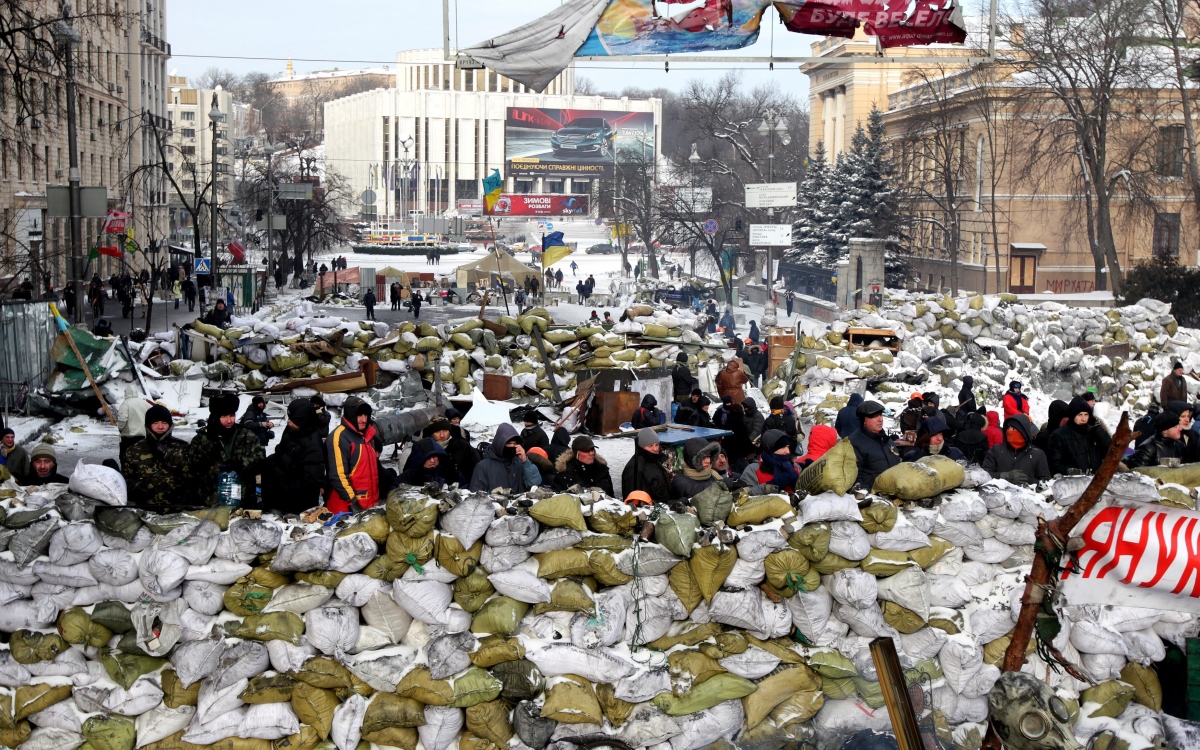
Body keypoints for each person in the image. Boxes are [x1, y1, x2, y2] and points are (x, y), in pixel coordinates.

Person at [191, 392, 266, 507]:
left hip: (243, 500)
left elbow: (260, 459)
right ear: (215, 417)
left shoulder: (247, 436)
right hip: (211, 502)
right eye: (224, 416)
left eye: (232, 415)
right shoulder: (202, 438)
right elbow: (193, 465)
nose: (229, 420)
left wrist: (241, 464)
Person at [261, 398, 328, 514]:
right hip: (281, 487)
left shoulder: (313, 446)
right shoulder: (292, 429)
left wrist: (283, 486)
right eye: (290, 419)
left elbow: (312, 481)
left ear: (303, 421)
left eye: (294, 420)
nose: (289, 422)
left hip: (297, 502)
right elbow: (281, 449)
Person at [327, 396, 385, 512]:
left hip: (369, 504)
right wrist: (353, 503)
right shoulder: (340, 437)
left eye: (366, 415)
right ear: (351, 415)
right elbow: (338, 475)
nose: (364, 419)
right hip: (346, 507)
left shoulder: (368, 436)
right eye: (359, 415)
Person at [1048, 396, 1112, 476]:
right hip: (1073, 482)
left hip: (1095, 479)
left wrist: (1098, 429)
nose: (1083, 419)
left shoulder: (1094, 431)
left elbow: (1110, 451)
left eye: (1086, 414)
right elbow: (1055, 464)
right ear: (1072, 415)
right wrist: (1073, 472)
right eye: (1080, 415)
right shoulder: (1058, 435)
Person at [469, 423, 541, 492]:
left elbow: (534, 483)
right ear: (500, 443)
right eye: (509, 443)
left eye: (515, 444)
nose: (512, 446)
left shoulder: (519, 463)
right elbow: (476, 496)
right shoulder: (483, 467)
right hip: (494, 504)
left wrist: (525, 461)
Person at [982, 414, 1050, 484]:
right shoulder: (996, 450)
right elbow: (983, 475)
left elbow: (1045, 482)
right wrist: (1005, 476)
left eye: (1013, 429)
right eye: (1008, 428)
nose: (1009, 431)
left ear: (1023, 431)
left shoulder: (1038, 454)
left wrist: (1028, 481)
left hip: (1027, 493)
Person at [849, 400, 900, 490]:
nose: (880, 419)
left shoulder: (886, 440)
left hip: (893, 491)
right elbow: (855, 477)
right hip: (873, 495)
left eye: (880, 415)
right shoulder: (854, 443)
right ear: (864, 420)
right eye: (875, 416)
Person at [622, 428, 671, 505]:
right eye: (650, 445)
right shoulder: (636, 469)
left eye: (656, 445)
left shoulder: (654, 461)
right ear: (641, 447)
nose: (655, 449)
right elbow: (640, 503)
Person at [425, 416, 479, 483]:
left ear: (449, 431)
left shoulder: (463, 446)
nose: (442, 435)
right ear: (432, 434)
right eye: (437, 431)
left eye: (445, 431)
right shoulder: (425, 448)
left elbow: (477, 470)